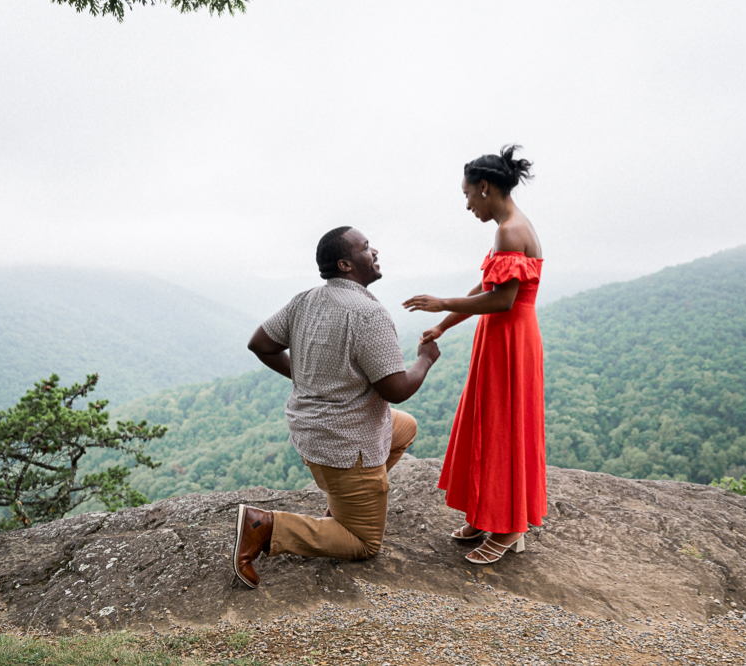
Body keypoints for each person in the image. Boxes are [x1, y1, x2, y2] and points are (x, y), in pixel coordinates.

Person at [234, 226, 441, 588]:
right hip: (346, 444)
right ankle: (264, 526)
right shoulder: (368, 314)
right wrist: (424, 359)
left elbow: (260, 343)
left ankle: (344, 501)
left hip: (312, 433)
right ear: (346, 264)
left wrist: (307, 379)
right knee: (364, 542)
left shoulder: (306, 299)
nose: (374, 251)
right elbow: (397, 389)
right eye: (365, 248)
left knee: (404, 427)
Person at [403, 145, 546, 565]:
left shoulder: (510, 230)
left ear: (485, 188)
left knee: (503, 427)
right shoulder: (509, 227)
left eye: (467, 195)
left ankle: (509, 527)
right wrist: (445, 322)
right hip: (502, 338)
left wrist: (440, 302)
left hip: (510, 338)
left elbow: (502, 299)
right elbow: (488, 284)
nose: (467, 205)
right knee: (487, 422)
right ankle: (488, 513)